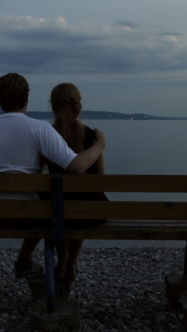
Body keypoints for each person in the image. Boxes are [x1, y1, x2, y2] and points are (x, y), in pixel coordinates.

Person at [0, 73, 106, 302]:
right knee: (49, 207)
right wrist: (101, 142)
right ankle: (26, 263)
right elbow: (77, 166)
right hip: (27, 216)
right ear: (27, 97)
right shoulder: (39, 129)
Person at [43, 83, 107, 283]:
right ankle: (71, 263)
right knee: (83, 200)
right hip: (87, 212)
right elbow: (100, 181)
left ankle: (61, 264)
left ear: (53, 106)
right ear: (78, 104)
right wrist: (100, 143)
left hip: (53, 212)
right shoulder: (92, 136)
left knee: (60, 205)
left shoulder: (46, 134)